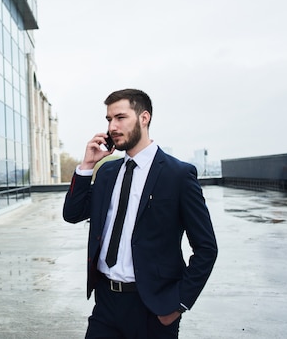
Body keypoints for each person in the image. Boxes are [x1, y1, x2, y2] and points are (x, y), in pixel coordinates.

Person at [63, 88, 218, 338]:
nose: (113, 126)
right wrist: (87, 165)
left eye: (120, 117)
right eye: (109, 119)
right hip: (106, 304)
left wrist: (178, 304)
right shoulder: (107, 173)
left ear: (144, 118)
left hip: (153, 309)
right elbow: (72, 213)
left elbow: (207, 248)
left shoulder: (177, 175)